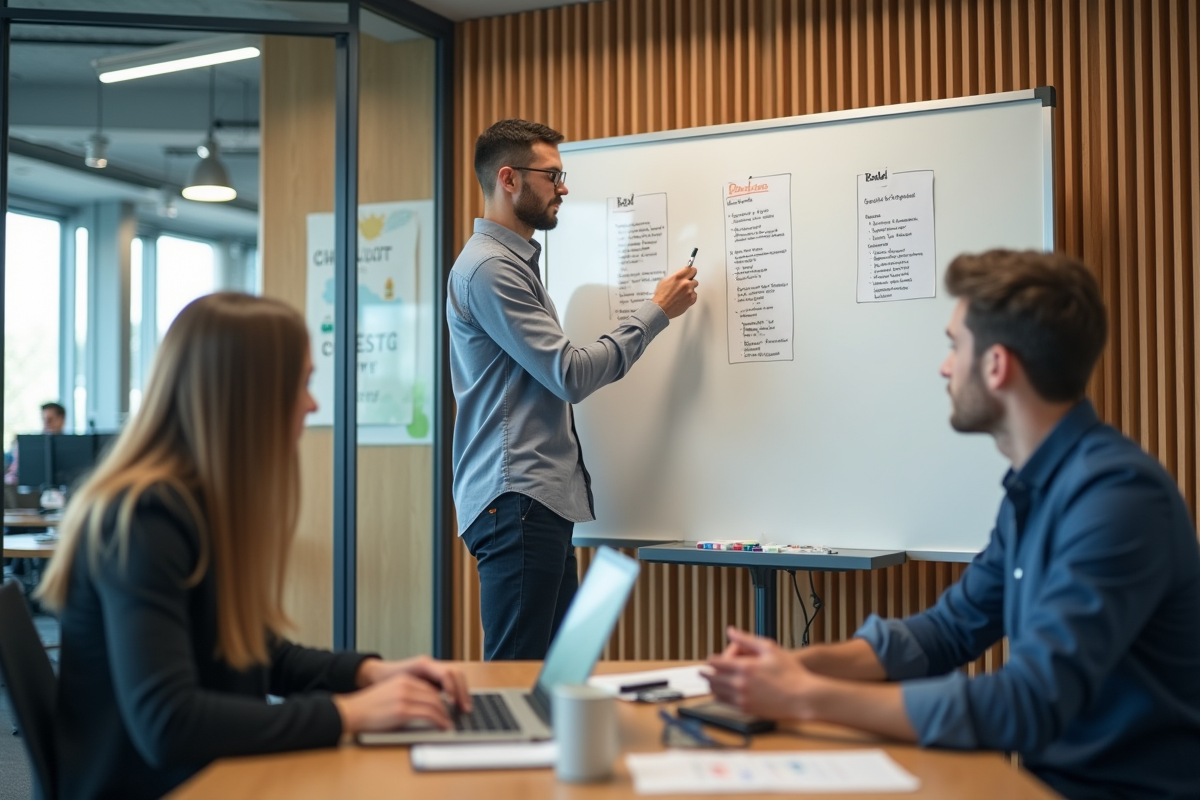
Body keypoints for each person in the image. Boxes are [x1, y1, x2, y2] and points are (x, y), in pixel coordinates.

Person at [706, 250, 1200, 800]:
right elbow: (948, 632)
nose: (945, 366)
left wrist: (806, 697)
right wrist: (797, 665)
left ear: (996, 365)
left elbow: (1028, 703)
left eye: (954, 345)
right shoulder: (1035, 489)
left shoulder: (1115, 499)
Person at [36, 293, 471, 800]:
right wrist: (349, 713)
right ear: (248, 395)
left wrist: (370, 672)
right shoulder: (143, 518)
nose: (313, 404)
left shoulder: (196, 504)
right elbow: (169, 723)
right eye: (302, 383)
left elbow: (257, 655)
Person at [448, 119, 699, 661]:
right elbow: (570, 374)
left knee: (557, 673)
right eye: (553, 175)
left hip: (535, 502)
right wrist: (656, 313)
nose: (564, 188)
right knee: (517, 680)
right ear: (509, 178)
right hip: (517, 501)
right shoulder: (491, 269)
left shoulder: (513, 265)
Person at [3, 401, 67, 490]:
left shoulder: (75, 445)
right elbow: (15, 471)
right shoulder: (29, 444)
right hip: (32, 491)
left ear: (62, 419)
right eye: (44, 420)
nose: (46, 424)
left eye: (50, 419)